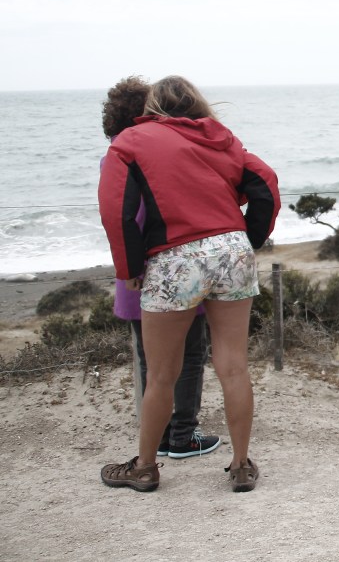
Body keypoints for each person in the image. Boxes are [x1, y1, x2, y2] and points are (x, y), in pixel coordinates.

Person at [98, 76, 280, 492]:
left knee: (162, 374)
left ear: (153, 106)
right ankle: (241, 466)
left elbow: (116, 210)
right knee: (233, 365)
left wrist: (130, 267)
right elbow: (265, 182)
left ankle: (145, 468)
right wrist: (248, 238)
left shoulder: (131, 141)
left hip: (174, 258)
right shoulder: (222, 139)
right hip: (231, 251)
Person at [101, 76, 220, 460]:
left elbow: (118, 220)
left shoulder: (112, 157)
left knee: (149, 359)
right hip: (172, 265)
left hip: (131, 272)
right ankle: (183, 435)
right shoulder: (161, 156)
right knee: (190, 354)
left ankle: (160, 435)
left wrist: (129, 268)